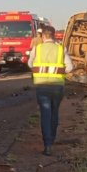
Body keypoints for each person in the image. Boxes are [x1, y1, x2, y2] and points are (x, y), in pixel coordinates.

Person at [27, 25, 73, 156]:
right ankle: (52, 139)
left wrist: (42, 70)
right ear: (54, 35)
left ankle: (47, 145)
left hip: (42, 86)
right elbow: (70, 67)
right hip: (57, 86)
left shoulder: (37, 48)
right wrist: (57, 71)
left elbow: (30, 64)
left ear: (43, 36)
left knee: (45, 114)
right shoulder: (61, 49)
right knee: (54, 113)